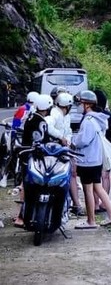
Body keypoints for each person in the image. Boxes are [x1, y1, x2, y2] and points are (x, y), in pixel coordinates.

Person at [72, 90, 111, 229]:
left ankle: (91, 221)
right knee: (98, 188)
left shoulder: (88, 121)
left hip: (87, 160)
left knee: (88, 190)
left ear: (87, 104)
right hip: (96, 160)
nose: (79, 106)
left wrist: (73, 141)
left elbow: (83, 140)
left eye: (80, 103)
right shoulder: (99, 119)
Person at [13, 94, 56, 227]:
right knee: (31, 186)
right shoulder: (41, 121)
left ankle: (24, 216)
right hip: (34, 158)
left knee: (26, 185)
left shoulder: (31, 116)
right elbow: (43, 140)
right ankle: (22, 216)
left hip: (26, 155)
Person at [45, 91, 83, 218]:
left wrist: (68, 140)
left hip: (63, 149)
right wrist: (61, 137)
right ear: (67, 106)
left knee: (72, 172)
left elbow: (68, 131)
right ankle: (75, 204)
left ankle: (75, 204)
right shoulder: (54, 114)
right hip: (53, 150)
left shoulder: (65, 116)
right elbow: (49, 126)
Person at [94, 90, 111, 213]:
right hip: (109, 150)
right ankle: (105, 202)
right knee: (105, 176)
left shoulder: (91, 116)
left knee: (95, 177)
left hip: (95, 149)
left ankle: (95, 204)